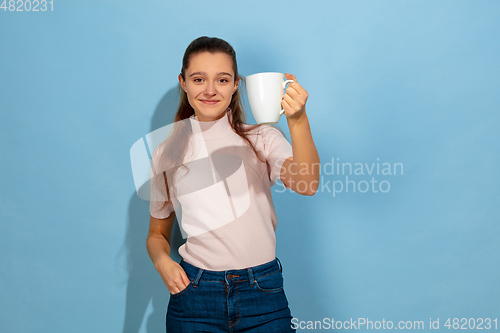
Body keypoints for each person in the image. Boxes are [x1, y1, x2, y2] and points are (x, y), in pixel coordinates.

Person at [146, 36, 320, 332]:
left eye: (222, 79)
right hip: (194, 298)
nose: (211, 90)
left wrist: (298, 120)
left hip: (262, 294)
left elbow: (307, 183)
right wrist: (163, 262)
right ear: (183, 82)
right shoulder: (167, 153)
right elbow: (156, 234)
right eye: (199, 79)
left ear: (236, 84)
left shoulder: (261, 139)